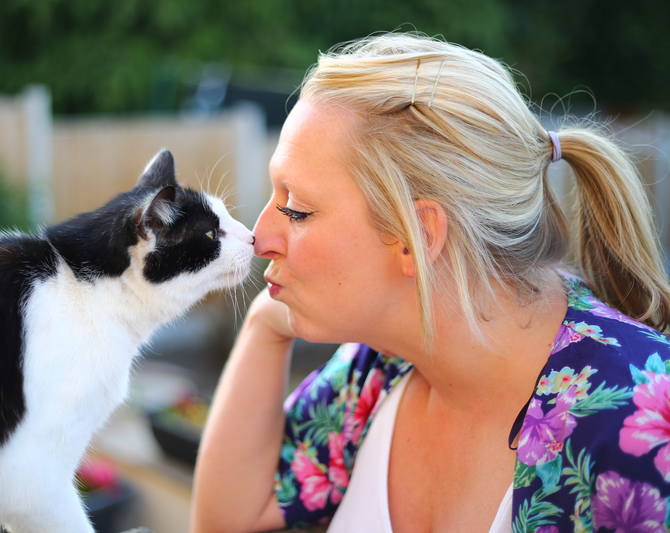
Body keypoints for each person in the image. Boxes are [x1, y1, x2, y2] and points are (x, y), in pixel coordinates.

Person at [190, 32, 670, 533]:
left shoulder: (644, 429)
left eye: (297, 209)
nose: (259, 236)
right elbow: (228, 521)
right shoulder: (378, 368)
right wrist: (265, 328)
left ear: (417, 235)